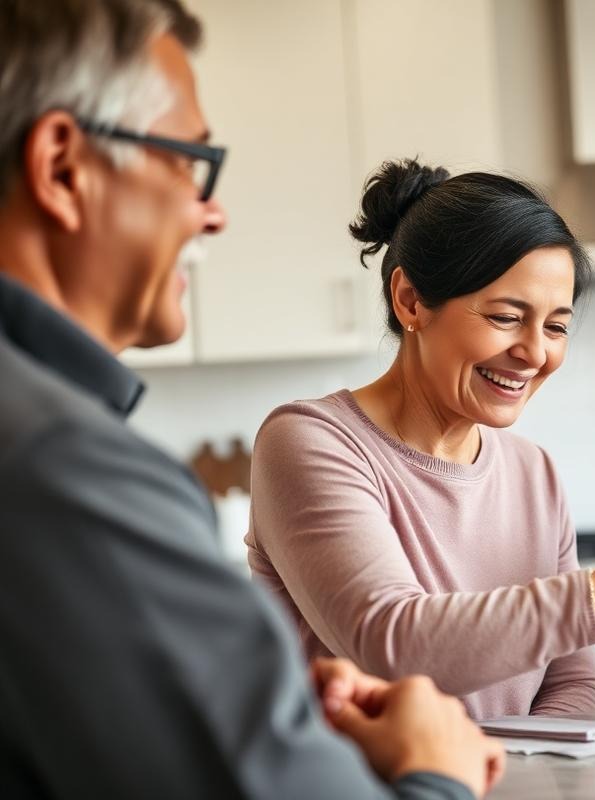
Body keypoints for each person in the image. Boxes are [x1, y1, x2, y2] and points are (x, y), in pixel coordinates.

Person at [0, 1, 502, 797]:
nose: (214, 212)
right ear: (63, 168)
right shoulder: (64, 470)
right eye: (189, 163)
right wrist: (435, 773)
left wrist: (280, 730)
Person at [246, 159, 595, 719]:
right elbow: (390, 643)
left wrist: (515, 779)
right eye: (507, 317)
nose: (534, 353)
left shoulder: (533, 472)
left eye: (556, 326)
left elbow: (572, 682)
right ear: (410, 300)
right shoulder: (310, 442)